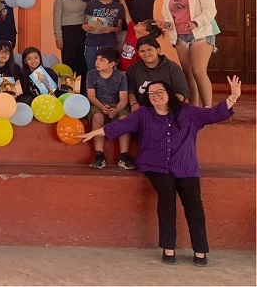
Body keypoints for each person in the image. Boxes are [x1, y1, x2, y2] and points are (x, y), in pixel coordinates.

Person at [77, 75, 242, 266]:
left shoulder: (188, 112)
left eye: (160, 92)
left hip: (185, 165)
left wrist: (233, 97)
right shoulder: (143, 114)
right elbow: (121, 126)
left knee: (194, 204)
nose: (156, 96)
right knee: (167, 198)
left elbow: (213, 114)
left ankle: (200, 249)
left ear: (169, 93)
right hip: (155, 165)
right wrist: (94, 132)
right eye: (151, 93)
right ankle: (168, 247)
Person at [157, 0, 217, 108]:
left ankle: (208, 109)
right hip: (180, 36)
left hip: (200, 33)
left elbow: (210, 10)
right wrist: (166, 24)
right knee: (187, 72)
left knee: (198, 71)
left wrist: (196, 22)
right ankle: (194, 107)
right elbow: (170, 17)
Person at [85, 46, 133, 170]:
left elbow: (123, 98)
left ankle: (124, 155)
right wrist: (101, 106)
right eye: (97, 59)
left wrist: (116, 110)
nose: (97, 62)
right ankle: (99, 155)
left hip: (117, 105)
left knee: (124, 119)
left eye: (102, 60)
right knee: (97, 118)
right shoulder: (91, 74)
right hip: (98, 104)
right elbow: (91, 96)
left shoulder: (121, 76)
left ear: (112, 64)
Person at [126, 36, 189, 110]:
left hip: (169, 108)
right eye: (142, 51)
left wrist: (168, 106)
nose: (146, 53)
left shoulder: (172, 67)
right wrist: (134, 104)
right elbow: (131, 91)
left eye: (149, 50)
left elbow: (182, 91)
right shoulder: (132, 69)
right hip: (143, 110)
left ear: (158, 50)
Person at [53, 0, 90, 86]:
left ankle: (81, 93)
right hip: (67, 33)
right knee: (69, 64)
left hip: (83, 32)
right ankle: (66, 91)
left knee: (83, 65)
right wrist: (58, 37)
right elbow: (56, 19)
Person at [83, 0, 125, 75]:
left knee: (108, 70)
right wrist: (86, 27)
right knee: (92, 69)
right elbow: (85, 24)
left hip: (109, 42)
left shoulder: (119, 7)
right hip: (92, 41)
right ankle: (92, 89)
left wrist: (111, 29)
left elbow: (119, 28)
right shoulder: (91, 5)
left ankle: (107, 89)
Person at [118, 0, 164, 72]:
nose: (139, 22)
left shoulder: (143, 46)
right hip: (121, 70)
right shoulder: (132, 31)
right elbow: (126, 11)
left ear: (146, 33)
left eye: (142, 24)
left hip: (132, 73)